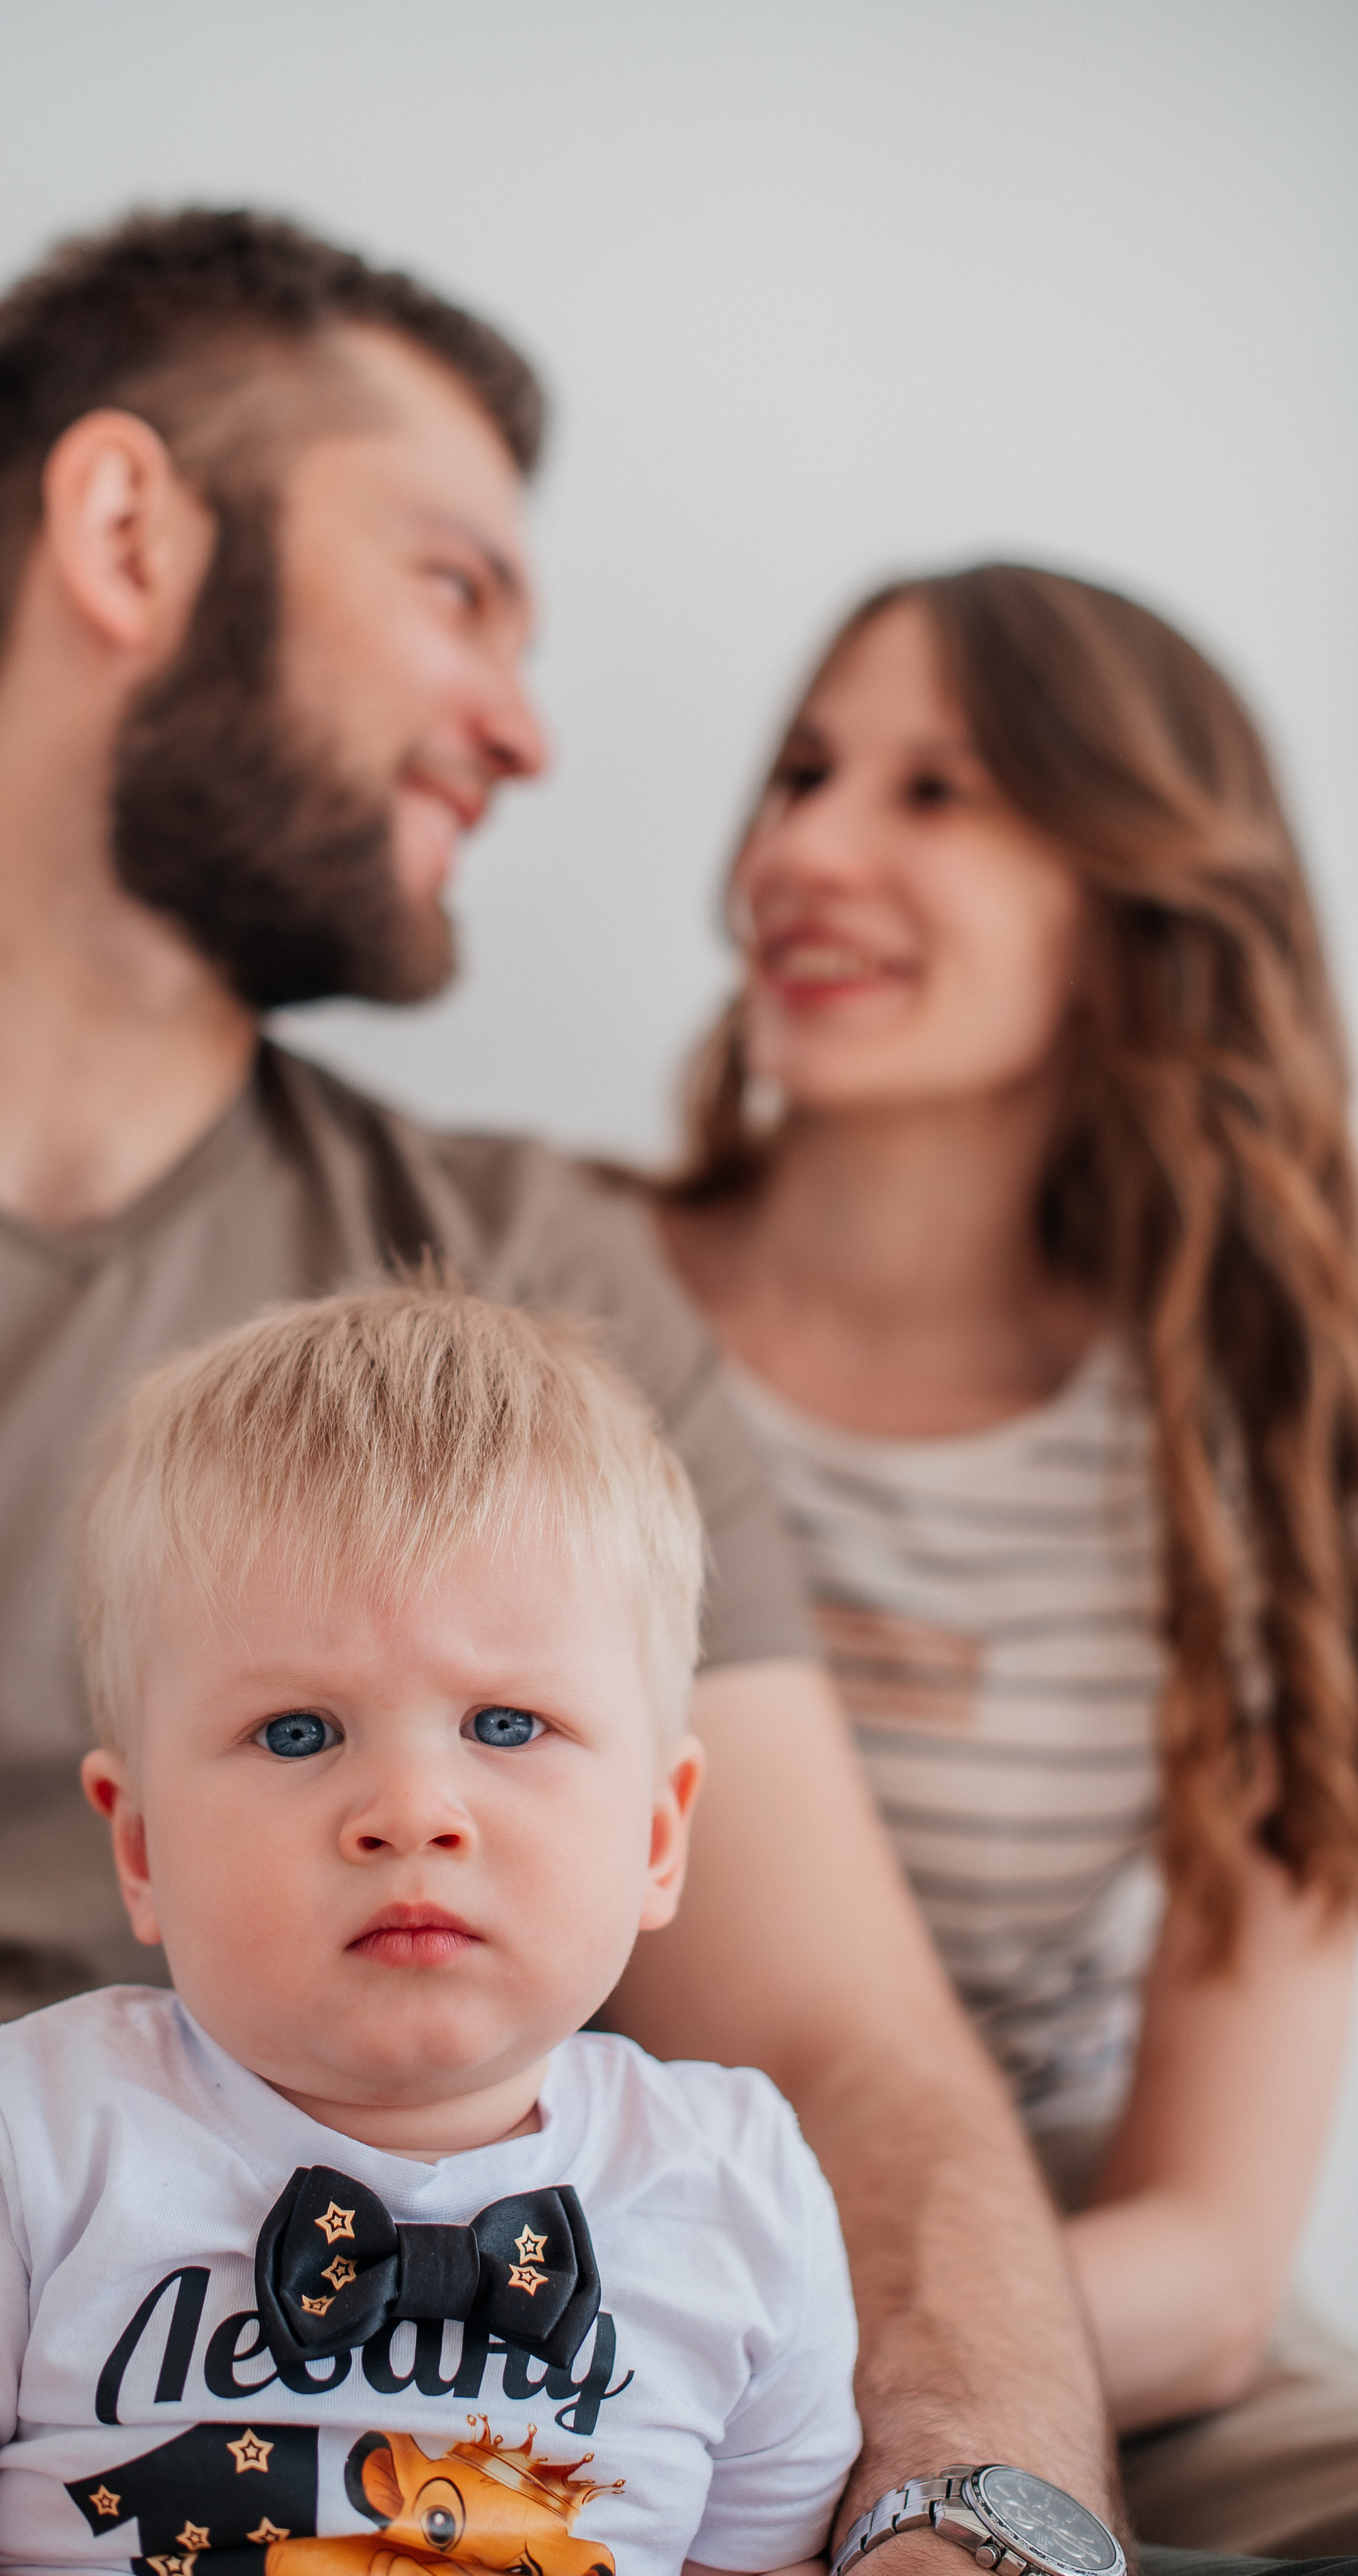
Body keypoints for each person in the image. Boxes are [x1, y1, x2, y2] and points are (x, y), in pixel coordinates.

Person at [0, 215, 1113, 2576]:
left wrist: (973, 2522)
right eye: (455, 587)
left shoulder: (530, 1281)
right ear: (129, 535)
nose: (532, 726)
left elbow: (858, 2063)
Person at [0, 1283, 869, 2576]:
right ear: (140, 1846)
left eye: (507, 1726)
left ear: (658, 1835)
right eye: (297, 1732)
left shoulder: (744, 2192)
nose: (412, 1812)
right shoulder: (9, 2144)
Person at [623, 560, 1358, 2562]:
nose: (805, 850)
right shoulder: (549, 1292)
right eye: (800, 772)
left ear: (1136, 909)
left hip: (1093, 2320)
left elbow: (1207, 2266)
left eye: (936, 793)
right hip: (559, 2272)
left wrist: (825, 2400)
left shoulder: (1275, 1450)